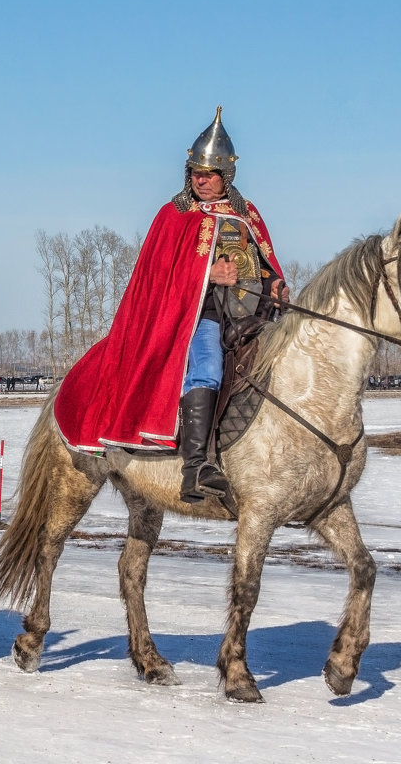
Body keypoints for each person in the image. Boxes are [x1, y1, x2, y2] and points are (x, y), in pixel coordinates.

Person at [52, 106, 288, 508]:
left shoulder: (246, 214)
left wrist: (277, 284)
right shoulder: (173, 215)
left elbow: (265, 264)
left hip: (251, 319)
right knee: (208, 366)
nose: (201, 178)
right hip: (197, 317)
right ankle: (195, 466)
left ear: (226, 176)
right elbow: (157, 275)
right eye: (196, 170)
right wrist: (207, 275)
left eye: (210, 173)